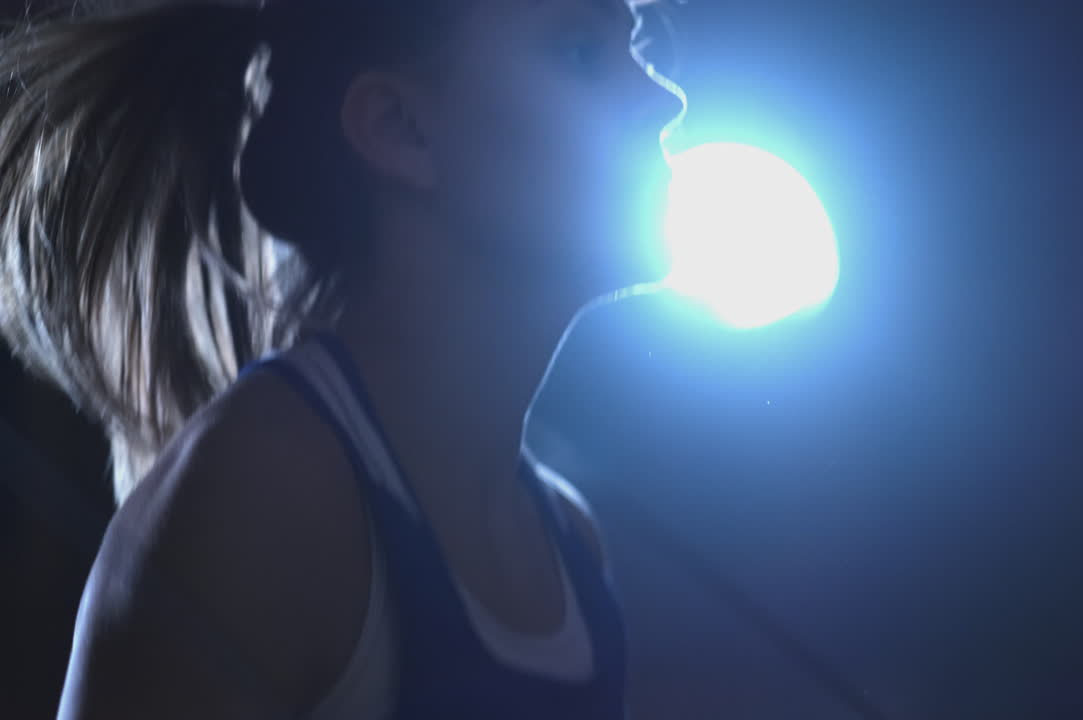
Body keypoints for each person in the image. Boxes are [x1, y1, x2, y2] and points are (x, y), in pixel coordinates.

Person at [0, 0, 685, 716]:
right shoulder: (266, 493)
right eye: (583, 52)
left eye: (634, 51)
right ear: (401, 128)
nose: (664, 100)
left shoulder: (571, 545)